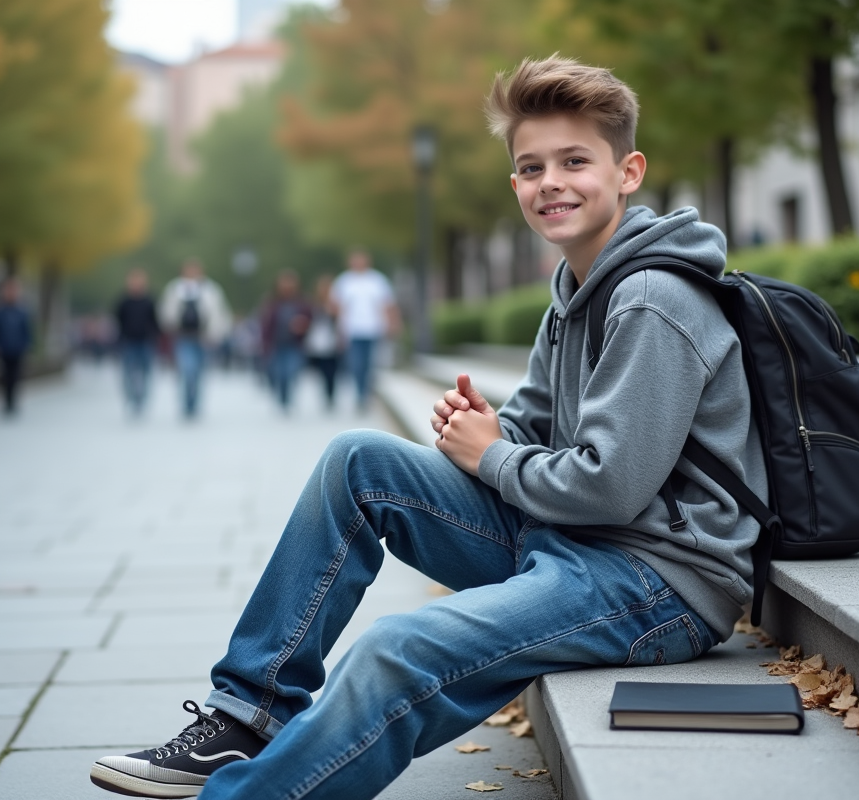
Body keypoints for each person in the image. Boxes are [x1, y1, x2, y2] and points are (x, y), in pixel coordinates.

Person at [89, 55, 764, 800]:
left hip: (655, 580)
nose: (552, 183)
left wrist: (492, 458)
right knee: (357, 460)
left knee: (396, 647)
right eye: (532, 167)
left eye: (576, 161)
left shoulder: (653, 299)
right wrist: (484, 432)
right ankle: (245, 717)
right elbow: (532, 428)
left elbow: (608, 488)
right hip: (575, 539)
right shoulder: (574, 289)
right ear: (515, 186)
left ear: (628, 171)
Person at [159, 259, 231, 418]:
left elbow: (219, 314)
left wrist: (217, 334)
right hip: (183, 337)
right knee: (187, 370)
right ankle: (186, 402)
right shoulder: (175, 289)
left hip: (204, 337)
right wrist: (171, 327)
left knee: (199, 373)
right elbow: (166, 312)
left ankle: (195, 402)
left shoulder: (211, 289)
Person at [329, 249, 400, 410]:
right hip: (352, 330)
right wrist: (340, 322)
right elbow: (334, 305)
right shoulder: (344, 281)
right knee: (356, 364)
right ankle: (360, 393)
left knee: (370, 364)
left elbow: (388, 305)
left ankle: (366, 393)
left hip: (373, 329)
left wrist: (392, 323)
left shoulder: (377, 280)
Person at [259, 271, 312, 413]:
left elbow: (311, 321)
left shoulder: (302, 303)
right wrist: (264, 345)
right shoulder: (272, 302)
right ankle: (282, 398)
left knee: (291, 371)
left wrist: (303, 326)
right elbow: (265, 325)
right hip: (276, 344)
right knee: (278, 373)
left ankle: (288, 398)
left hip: (295, 345)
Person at [114, 269, 160, 415]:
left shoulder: (149, 300)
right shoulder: (123, 301)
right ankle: (131, 397)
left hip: (146, 341)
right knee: (128, 372)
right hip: (128, 341)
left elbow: (155, 321)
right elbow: (118, 320)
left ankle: (142, 399)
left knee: (146, 372)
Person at [0, 278, 33, 416]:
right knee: (4, 376)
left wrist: (28, 345)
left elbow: (28, 331)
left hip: (18, 349)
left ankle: (13, 401)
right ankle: (6, 401)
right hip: (3, 349)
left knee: (16, 376)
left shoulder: (22, 311)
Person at [303, 275, 341, 411]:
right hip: (317, 343)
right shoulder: (313, 304)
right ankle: (324, 394)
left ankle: (330, 396)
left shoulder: (336, 304)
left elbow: (340, 322)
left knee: (331, 372)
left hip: (332, 343)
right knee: (320, 373)